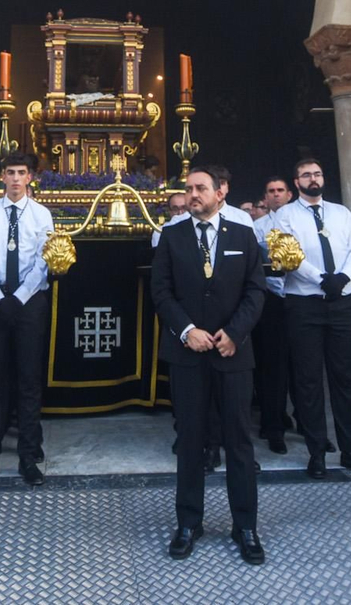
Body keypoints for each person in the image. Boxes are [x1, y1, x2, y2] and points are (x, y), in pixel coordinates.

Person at [152, 164, 266, 565]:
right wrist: (186, 330)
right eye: (189, 188)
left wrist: (234, 333)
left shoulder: (244, 234)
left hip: (233, 353)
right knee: (190, 441)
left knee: (238, 440)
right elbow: (161, 292)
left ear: (222, 191)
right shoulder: (172, 236)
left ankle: (245, 525)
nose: (193, 194)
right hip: (187, 354)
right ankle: (188, 523)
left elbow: (256, 290)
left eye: (201, 188)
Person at [271, 159, 351, 480]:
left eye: (317, 173)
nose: (313, 178)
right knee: (308, 380)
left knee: (343, 378)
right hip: (305, 305)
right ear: (297, 181)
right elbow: (292, 254)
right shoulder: (284, 214)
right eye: (306, 175)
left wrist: (342, 277)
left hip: (341, 303)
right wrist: (322, 279)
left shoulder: (341, 213)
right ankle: (317, 451)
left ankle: (350, 451)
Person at [0, 153, 54, 487]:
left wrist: (18, 298)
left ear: (30, 177)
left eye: (21, 173)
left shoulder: (41, 214)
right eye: (10, 173)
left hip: (29, 302)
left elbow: (43, 261)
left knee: (28, 379)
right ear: (2, 176)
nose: (16, 179)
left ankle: (29, 456)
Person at [251, 176, 295, 453]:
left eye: (280, 190)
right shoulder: (256, 228)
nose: (276, 195)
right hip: (271, 300)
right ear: (265, 198)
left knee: (304, 366)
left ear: (289, 194)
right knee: (272, 366)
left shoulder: (302, 221)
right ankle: (272, 424)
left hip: (303, 297)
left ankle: (306, 422)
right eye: (271, 192)